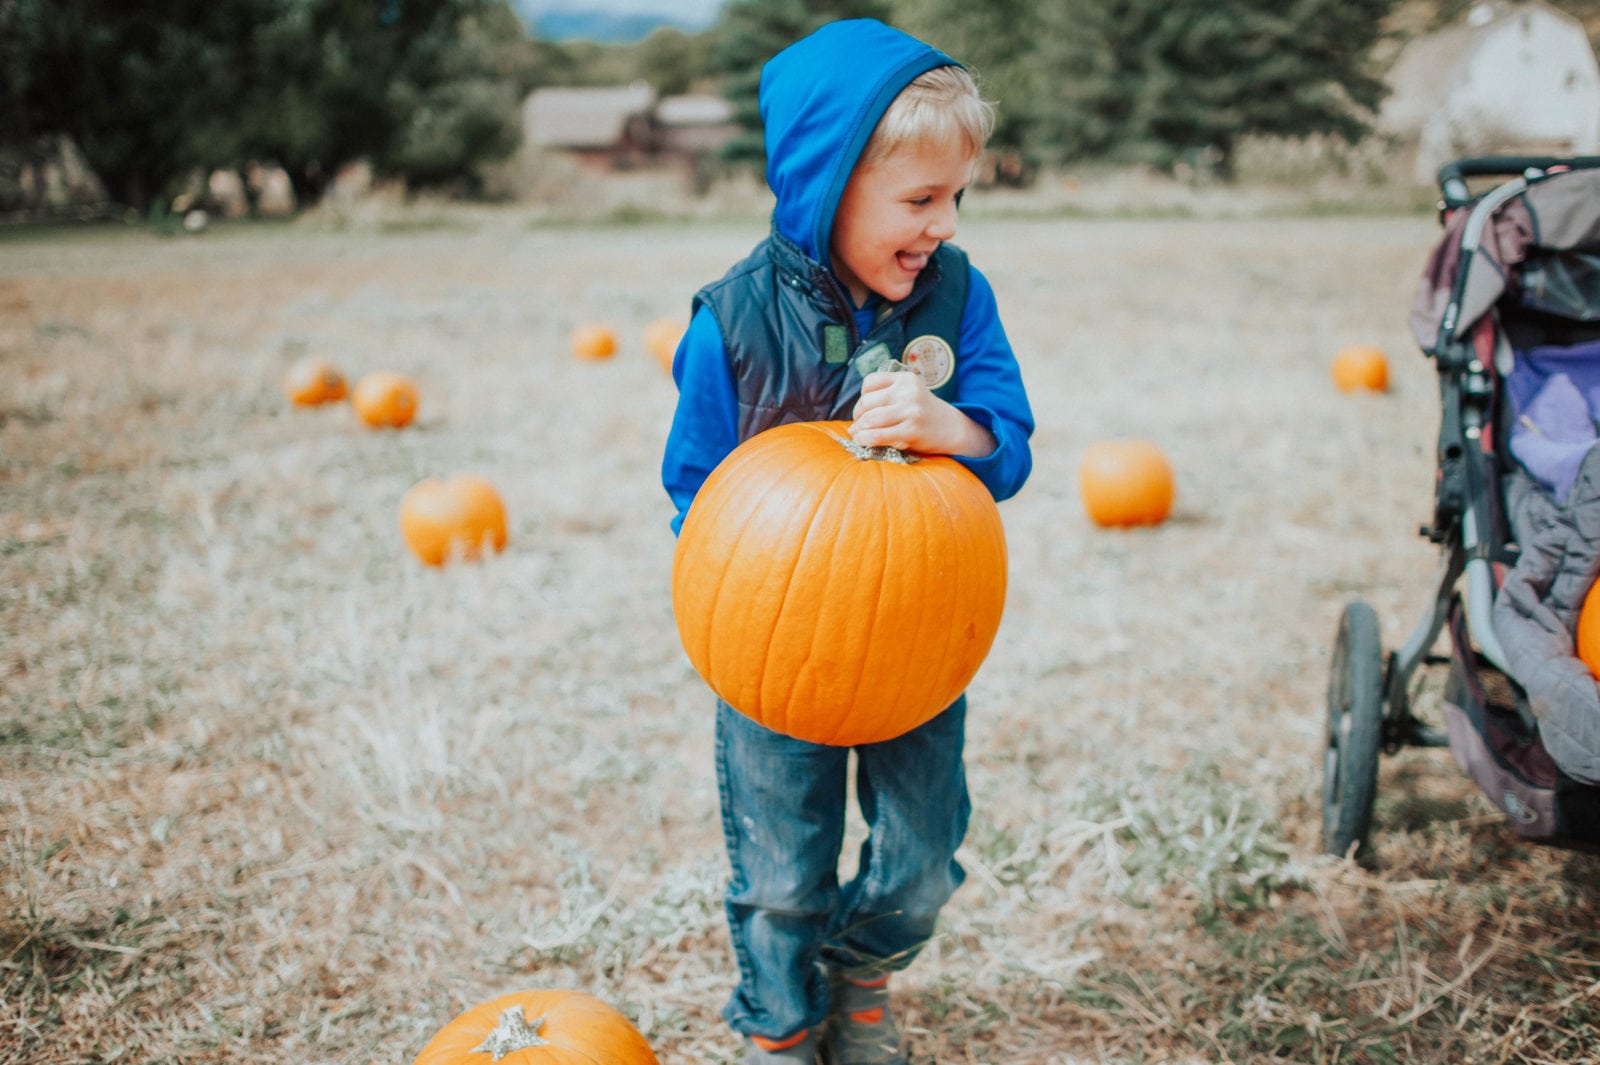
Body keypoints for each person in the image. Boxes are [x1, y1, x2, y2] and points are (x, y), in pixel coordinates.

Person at [660, 18, 1034, 1065]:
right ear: (826, 189)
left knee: (920, 861)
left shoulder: (956, 301)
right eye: (919, 201)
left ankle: (860, 974)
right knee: (781, 873)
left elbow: (1008, 451)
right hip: (773, 651)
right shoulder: (729, 324)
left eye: (958, 197)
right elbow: (692, 488)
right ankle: (779, 1024)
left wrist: (946, 426)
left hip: (916, 635)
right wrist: (751, 579)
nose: (944, 225)